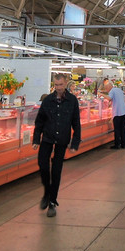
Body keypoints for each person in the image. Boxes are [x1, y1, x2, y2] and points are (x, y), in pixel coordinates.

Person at [32, 72, 81, 217]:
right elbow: (39, 121)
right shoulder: (48, 101)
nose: (58, 88)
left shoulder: (72, 100)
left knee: (56, 171)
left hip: (62, 140)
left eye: (60, 85)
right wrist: (36, 139)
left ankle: (52, 202)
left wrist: (75, 142)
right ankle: (47, 191)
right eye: (56, 85)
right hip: (47, 138)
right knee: (43, 165)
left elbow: (76, 123)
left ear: (65, 84)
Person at [103, 79, 125, 149]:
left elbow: (109, 98)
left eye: (106, 88)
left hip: (117, 112)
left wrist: (101, 94)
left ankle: (117, 145)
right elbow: (124, 99)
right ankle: (123, 144)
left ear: (109, 87)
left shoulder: (112, 91)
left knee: (117, 129)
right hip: (123, 111)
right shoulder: (119, 90)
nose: (106, 90)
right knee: (122, 128)